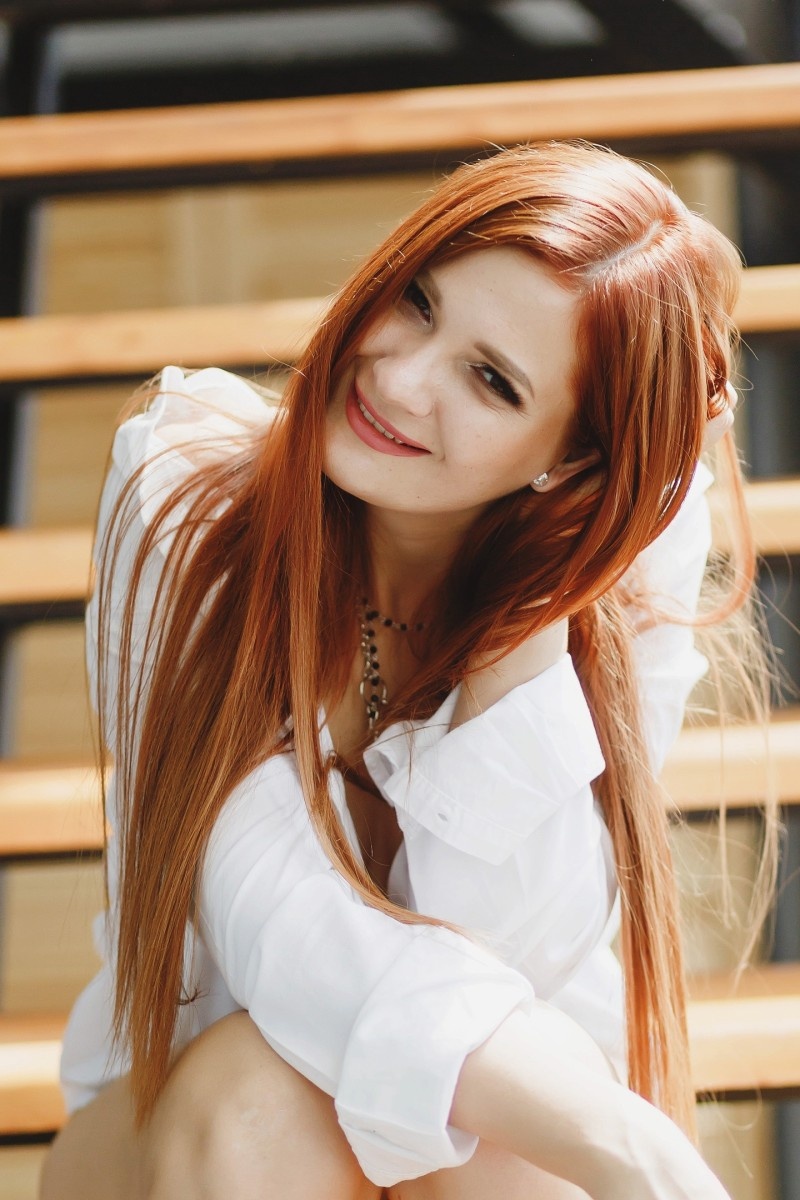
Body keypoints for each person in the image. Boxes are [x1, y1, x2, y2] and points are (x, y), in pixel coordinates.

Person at [41, 141, 767, 1200]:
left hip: (475, 1163)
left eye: (490, 381)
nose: (398, 378)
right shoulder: (185, 501)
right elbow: (275, 921)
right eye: (418, 303)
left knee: (496, 1154)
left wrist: (528, 624)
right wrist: (628, 1147)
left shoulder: (610, 601)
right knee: (262, 1094)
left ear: (568, 463)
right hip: (181, 1134)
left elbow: (508, 958)